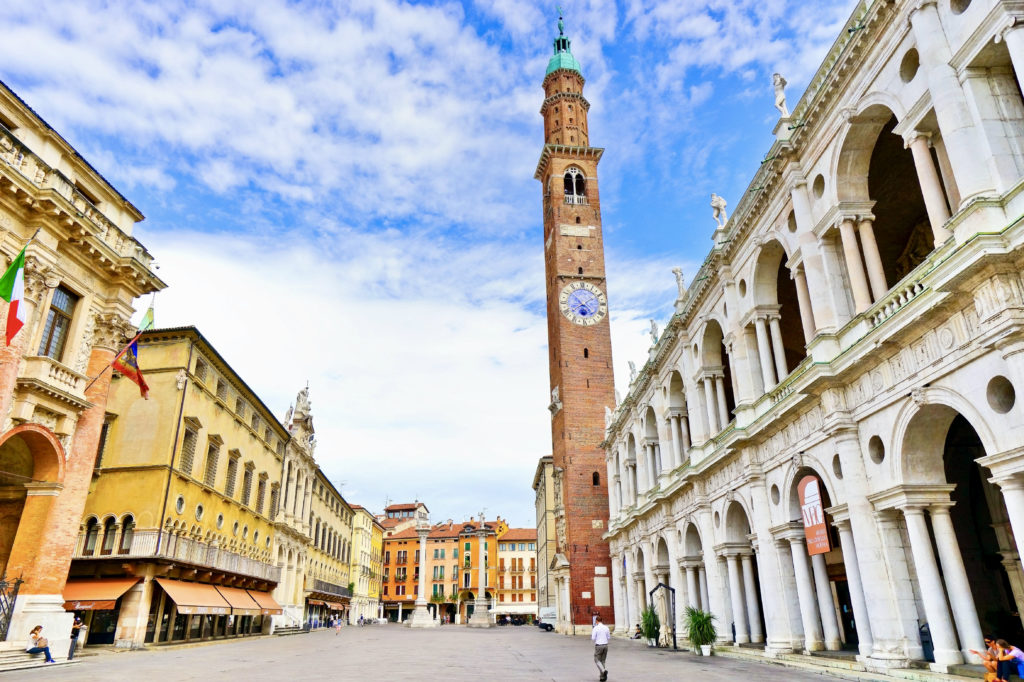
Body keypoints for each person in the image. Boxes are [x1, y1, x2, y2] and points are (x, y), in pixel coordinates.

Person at [592, 614, 610, 681]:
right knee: (603, 661)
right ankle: (602, 677)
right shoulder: (606, 627)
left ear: (596, 621)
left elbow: (593, 638)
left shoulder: (595, 628)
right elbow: (608, 637)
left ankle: (603, 671)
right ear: (601, 620)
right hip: (605, 645)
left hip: (599, 645)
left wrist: (598, 637)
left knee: (596, 660)